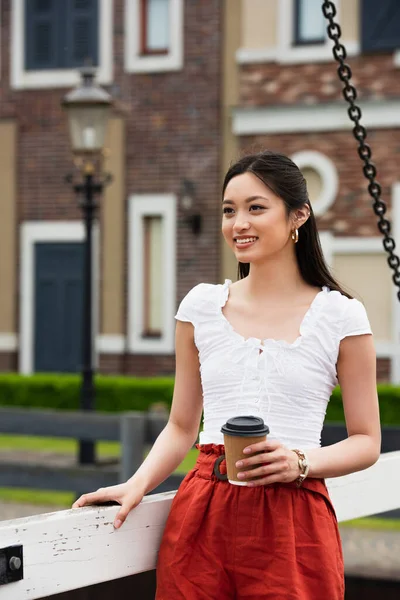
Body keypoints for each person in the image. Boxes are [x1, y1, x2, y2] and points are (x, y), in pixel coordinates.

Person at [73, 151, 381, 599]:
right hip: (203, 510)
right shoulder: (200, 307)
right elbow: (181, 426)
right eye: (228, 210)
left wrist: (300, 462)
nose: (238, 223)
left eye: (256, 208)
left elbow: (367, 440)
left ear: (298, 215)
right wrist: (135, 485)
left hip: (294, 514)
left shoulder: (341, 315)